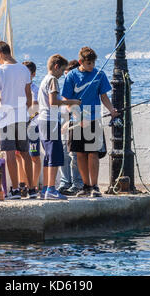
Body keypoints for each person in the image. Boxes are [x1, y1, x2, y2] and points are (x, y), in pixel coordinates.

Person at [62, 46, 119, 198]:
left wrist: (112, 110)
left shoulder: (99, 75)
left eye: (93, 63)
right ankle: (85, 185)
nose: (91, 66)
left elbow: (104, 96)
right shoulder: (71, 76)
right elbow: (67, 100)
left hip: (94, 118)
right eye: (88, 64)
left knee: (93, 153)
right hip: (77, 120)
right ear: (81, 61)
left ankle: (94, 186)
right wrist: (78, 117)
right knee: (80, 154)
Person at [0, 41, 36, 199]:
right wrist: (28, 112)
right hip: (22, 116)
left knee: (9, 153)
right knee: (25, 152)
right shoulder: (24, 69)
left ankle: (15, 189)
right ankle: (32, 189)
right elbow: (28, 94)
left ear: (0, 53)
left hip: (6, 116)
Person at [38, 54, 81, 200]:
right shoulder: (53, 80)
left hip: (42, 121)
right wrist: (72, 102)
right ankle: (51, 189)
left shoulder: (44, 79)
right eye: (62, 70)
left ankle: (45, 189)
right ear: (56, 67)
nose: (63, 74)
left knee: (48, 156)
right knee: (55, 156)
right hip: (50, 121)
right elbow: (53, 102)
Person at [15, 61, 41, 197]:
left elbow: (33, 108)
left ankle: (34, 184)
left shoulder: (35, 89)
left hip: (32, 126)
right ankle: (22, 184)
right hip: (20, 124)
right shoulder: (17, 89)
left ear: (33, 74)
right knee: (18, 155)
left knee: (34, 156)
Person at [58, 60, 83, 196]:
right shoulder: (66, 87)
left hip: (74, 124)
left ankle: (77, 183)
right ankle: (65, 182)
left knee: (74, 155)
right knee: (63, 154)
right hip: (64, 124)